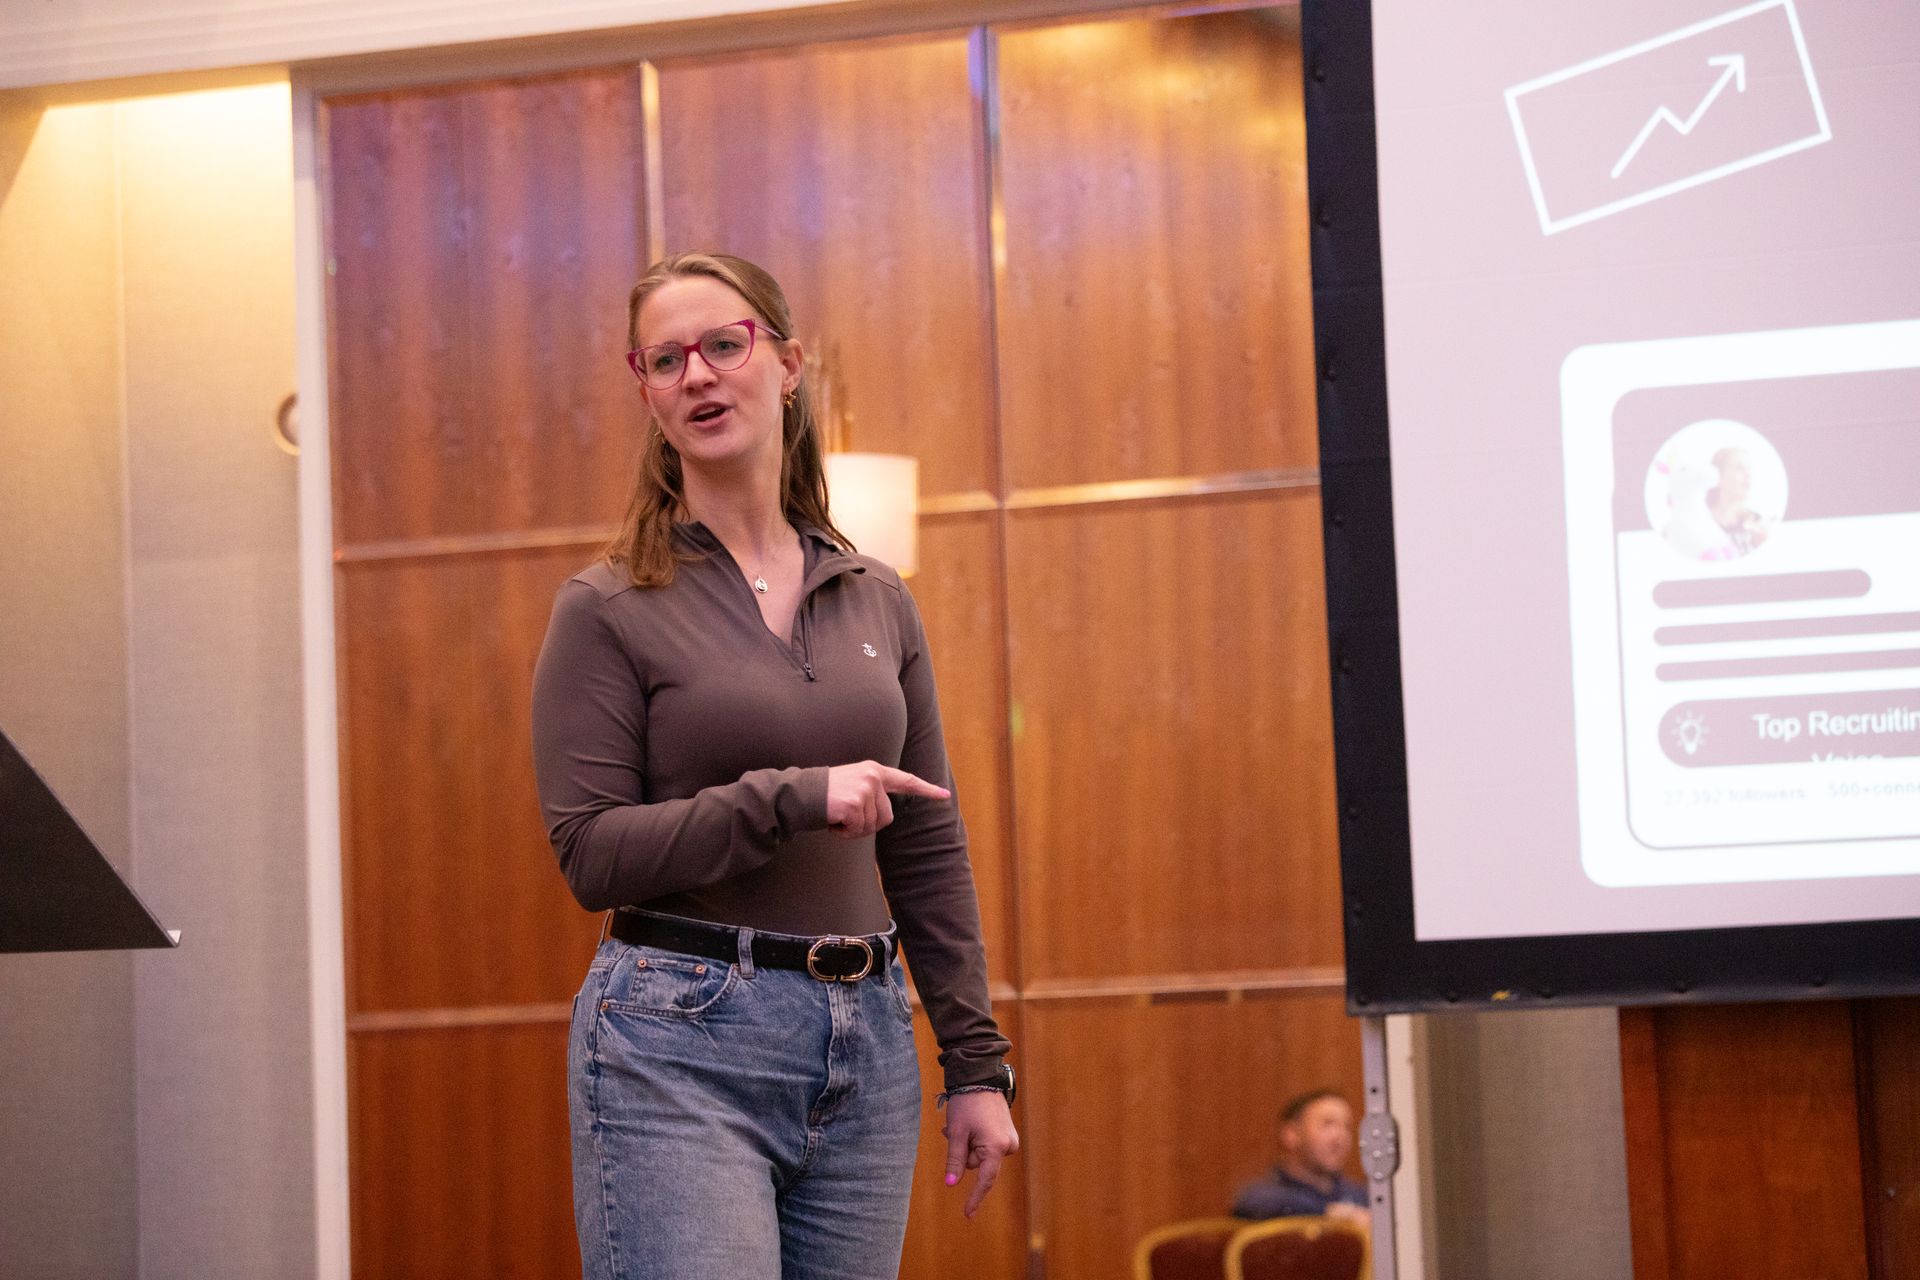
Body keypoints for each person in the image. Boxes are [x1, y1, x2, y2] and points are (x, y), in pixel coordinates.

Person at [531, 251, 1018, 1280]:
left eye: (723, 344)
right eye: (666, 360)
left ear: (788, 363)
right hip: (678, 1038)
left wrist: (976, 1064)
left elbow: (927, 842)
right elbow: (589, 853)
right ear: (648, 391)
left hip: (870, 1038)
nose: (698, 374)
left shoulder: (877, 595)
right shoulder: (611, 603)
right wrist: (790, 798)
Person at [1231, 1089, 1369, 1222]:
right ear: (1292, 1134)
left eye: (1346, 1127)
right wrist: (1329, 1214)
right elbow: (1255, 1204)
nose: (1340, 1137)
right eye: (1327, 1124)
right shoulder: (1264, 1196)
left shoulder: (1360, 1195)